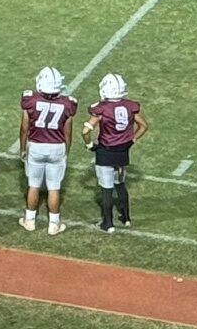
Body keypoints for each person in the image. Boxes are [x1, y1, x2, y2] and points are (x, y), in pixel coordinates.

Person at [84, 73, 147, 232]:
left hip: (106, 151)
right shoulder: (130, 106)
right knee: (120, 184)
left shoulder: (101, 108)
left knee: (106, 189)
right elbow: (144, 126)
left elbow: (85, 131)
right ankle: (126, 218)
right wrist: (131, 140)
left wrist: (90, 145)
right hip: (123, 151)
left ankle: (108, 223)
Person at [19, 66, 78, 235]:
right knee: (54, 187)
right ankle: (54, 224)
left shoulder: (29, 100)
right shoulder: (68, 104)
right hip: (57, 146)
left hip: (36, 145)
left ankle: (29, 220)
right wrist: (66, 151)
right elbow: (68, 131)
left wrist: (23, 148)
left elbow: (24, 128)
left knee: (34, 185)